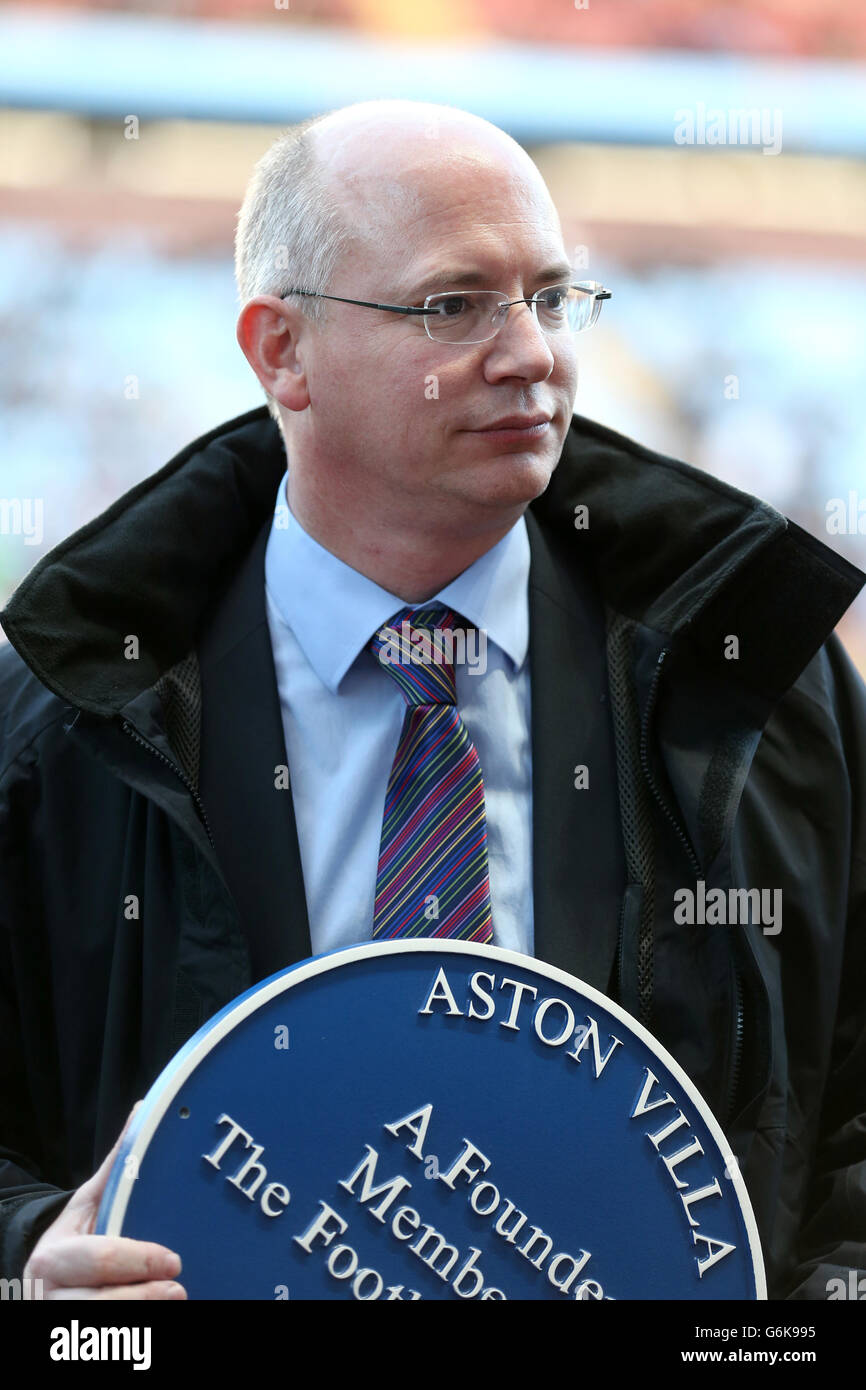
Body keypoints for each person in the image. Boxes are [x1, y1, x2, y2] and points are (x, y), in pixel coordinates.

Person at [0, 99, 864, 1302]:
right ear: (279, 351)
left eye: (551, 297)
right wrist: (32, 1268)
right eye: (452, 305)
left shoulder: (767, 686)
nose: (531, 355)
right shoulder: (54, 722)